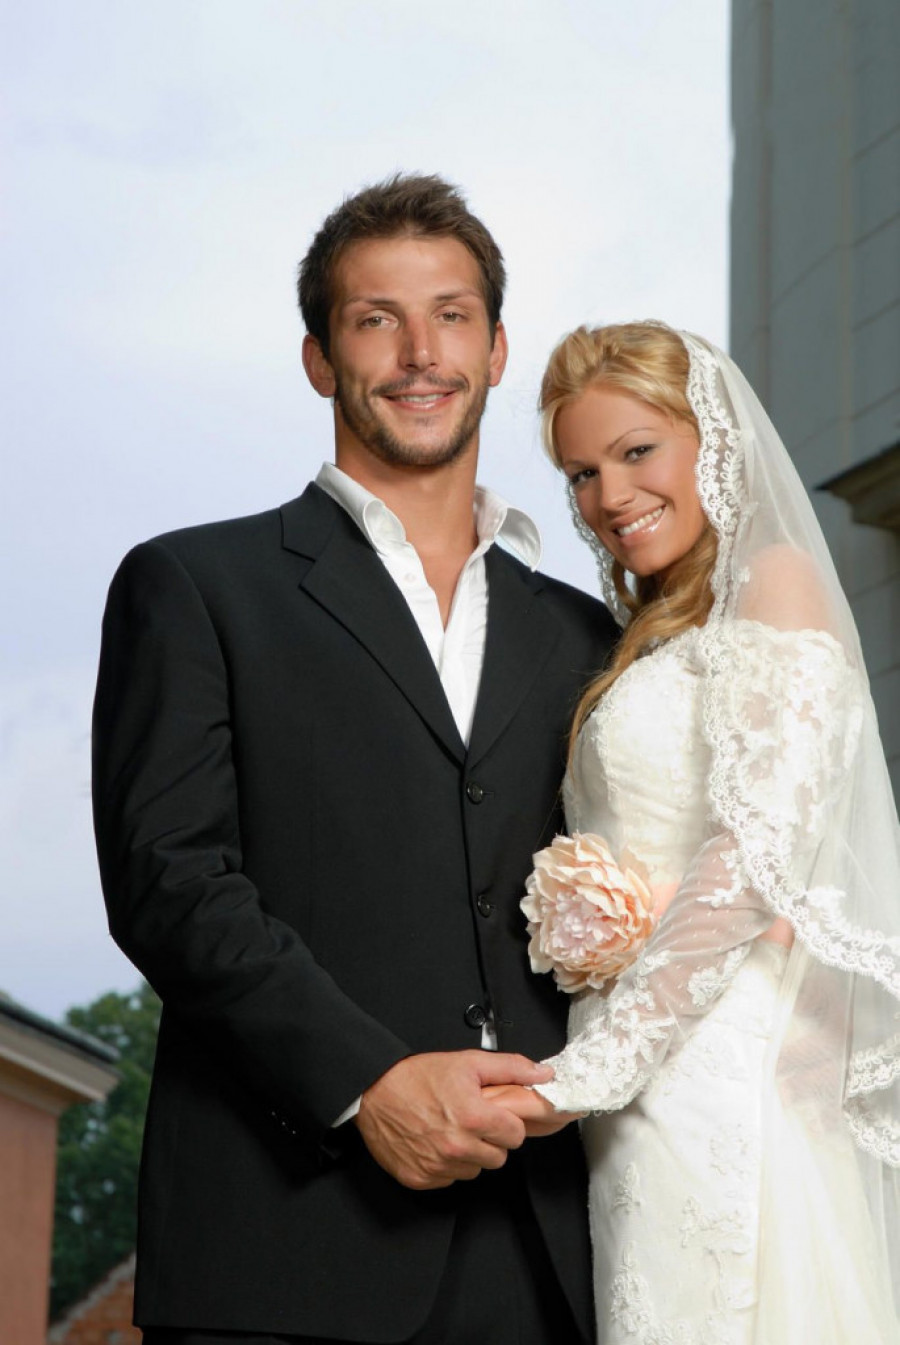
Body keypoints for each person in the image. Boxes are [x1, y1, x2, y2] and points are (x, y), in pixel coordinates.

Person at [91, 174, 616, 1345]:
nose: (420, 353)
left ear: (496, 349)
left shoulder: (588, 635)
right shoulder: (196, 587)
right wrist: (367, 1083)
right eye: (377, 319)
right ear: (320, 359)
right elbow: (169, 880)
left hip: (547, 1257)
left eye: (452, 315)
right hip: (288, 1254)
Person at [496, 321, 900, 1342]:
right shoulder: (656, 625)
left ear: (712, 439)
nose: (610, 495)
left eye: (637, 451)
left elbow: (756, 853)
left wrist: (594, 1069)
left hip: (715, 1063)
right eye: (582, 472)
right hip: (635, 1091)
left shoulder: (778, 580)